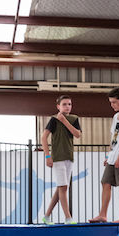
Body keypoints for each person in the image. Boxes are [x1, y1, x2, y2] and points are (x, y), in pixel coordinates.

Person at [90, 87, 119, 223]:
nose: (112, 105)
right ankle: (102, 214)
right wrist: (109, 156)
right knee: (105, 182)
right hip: (113, 156)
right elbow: (114, 138)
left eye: (115, 102)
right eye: (111, 102)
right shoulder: (116, 117)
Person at [40, 95, 82, 224]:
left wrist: (65, 121)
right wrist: (48, 155)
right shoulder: (53, 119)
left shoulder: (74, 119)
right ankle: (68, 218)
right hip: (57, 157)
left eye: (69, 104)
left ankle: (46, 216)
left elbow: (78, 134)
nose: (67, 106)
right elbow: (43, 138)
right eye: (64, 104)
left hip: (69, 156)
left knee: (61, 188)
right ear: (58, 106)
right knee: (63, 187)